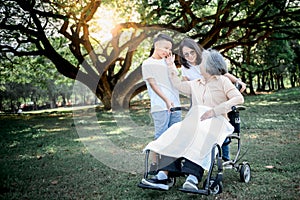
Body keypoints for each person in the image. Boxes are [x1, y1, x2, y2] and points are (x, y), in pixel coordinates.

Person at [140, 49, 244, 191]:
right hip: (195, 119)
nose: (198, 64)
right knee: (176, 130)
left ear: (209, 66)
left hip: (218, 120)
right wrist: (170, 66)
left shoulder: (223, 81)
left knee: (201, 133)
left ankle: (192, 178)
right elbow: (177, 85)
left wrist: (214, 111)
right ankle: (163, 176)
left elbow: (238, 98)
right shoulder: (196, 83)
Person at [178, 38, 246, 162]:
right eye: (186, 54)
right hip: (199, 98)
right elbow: (186, 83)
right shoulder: (185, 67)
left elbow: (222, 73)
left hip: (216, 97)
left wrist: (236, 81)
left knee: (219, 125)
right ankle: (194, 156)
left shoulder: (205, 60)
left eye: (191, 52)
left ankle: (224, 157)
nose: (189, 56)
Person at [141, 33, 182, 166]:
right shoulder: (147, 63)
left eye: (170, 49)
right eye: (165, 48)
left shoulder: (168, 62)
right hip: (160, 106)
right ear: (156, 45)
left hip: (175, 105)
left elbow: (176, 80)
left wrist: (171, 65)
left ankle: (172, 166)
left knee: (175, 135)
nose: (168, 51)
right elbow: (153, 85)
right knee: (161, 136)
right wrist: (166, 100)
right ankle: (155, 164)